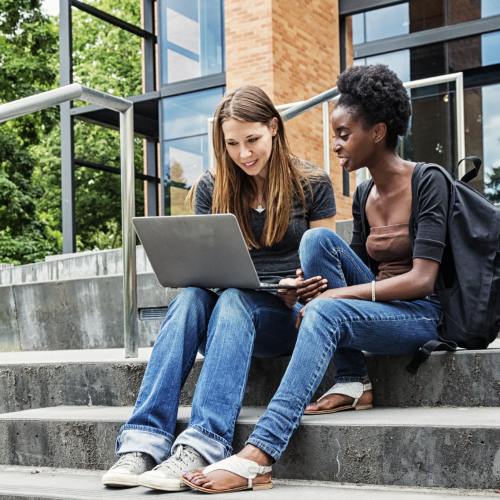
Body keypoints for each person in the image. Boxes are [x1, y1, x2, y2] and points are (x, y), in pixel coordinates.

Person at [182, 64, 449, 493]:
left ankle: (259, 455)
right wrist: (302, 289)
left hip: (419, 313)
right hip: (377, 305)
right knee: (317, 242)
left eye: (344, 134)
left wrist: (328, 301)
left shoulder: (428, 181)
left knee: (323, 301)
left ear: (378, 131)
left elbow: (421, 281)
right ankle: (354, 378)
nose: (336, 144)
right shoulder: (363, 194)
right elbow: (352, 266)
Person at [101, 84, 337, 491]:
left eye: (253, 140)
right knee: (193, 296)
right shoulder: (212, 187)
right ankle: (142, 443)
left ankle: (202, 446)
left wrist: (298, 286)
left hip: (286, 318)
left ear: (274, 129)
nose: (244, 154)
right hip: (229, 317)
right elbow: (204, 269)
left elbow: (325, 270)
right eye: (232, 143)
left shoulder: (313, 183)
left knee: (233, 300)